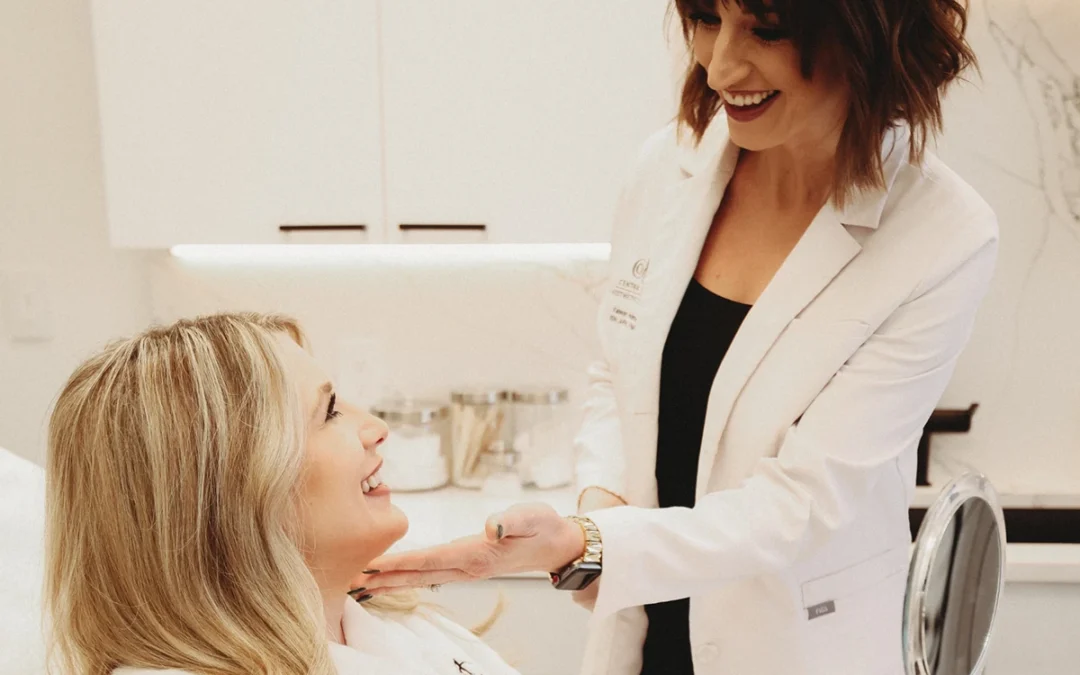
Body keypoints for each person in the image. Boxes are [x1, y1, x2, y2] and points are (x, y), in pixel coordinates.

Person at [360, 1, 999, 674]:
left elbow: (801, 505)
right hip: (643, 636)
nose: (719, 67)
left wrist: (588, 544)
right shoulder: (667, 166)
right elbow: (619, 374)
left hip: (793, 648)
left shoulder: (942, 234)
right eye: (704, 18)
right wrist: (594, 516)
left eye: (766, 28)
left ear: (869, 34)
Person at [44, 313, 517, 675]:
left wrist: (563, 556)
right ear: (231, 492)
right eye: (329, 412)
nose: (377, 427)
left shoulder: (393, 620)